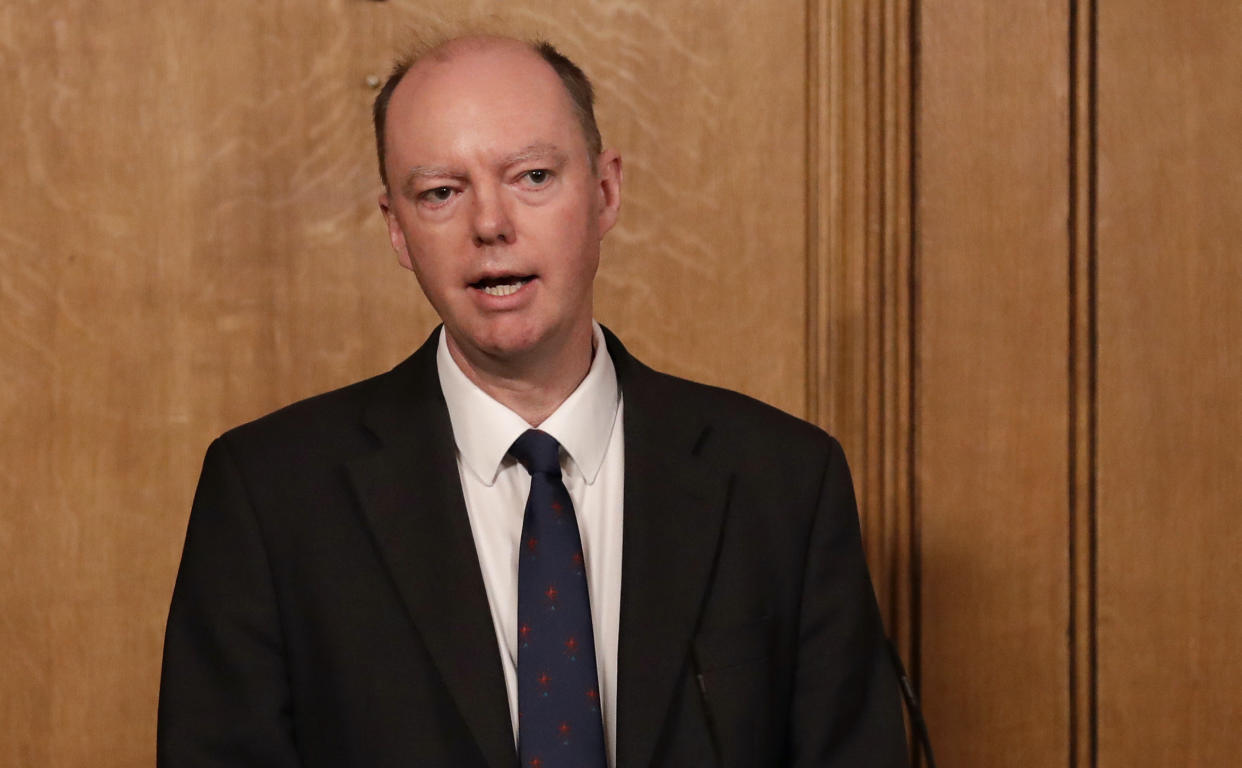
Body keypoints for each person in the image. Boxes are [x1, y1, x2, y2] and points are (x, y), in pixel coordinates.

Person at [158, 33, 909, 768]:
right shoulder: (271, 495)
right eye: (441, 193)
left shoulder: (783, 483)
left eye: (533, 178)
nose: (490, 226)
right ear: (396, 228)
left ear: (606, 190)